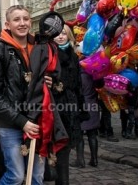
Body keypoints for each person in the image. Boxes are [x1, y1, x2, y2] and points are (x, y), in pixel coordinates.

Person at [0, 5, 46, 185]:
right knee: (16, 176)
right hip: (10, 123)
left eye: (25, 19)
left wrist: (49, 81)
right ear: (7, 24)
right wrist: (21, 121)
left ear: (30, 22)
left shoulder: (39, 47)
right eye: (16, 19)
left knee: (36, 176)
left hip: (37, 119)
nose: (22, 23)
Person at [53, 25, 86, 184]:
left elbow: (78, 83)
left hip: (71, 106)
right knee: (57, 147)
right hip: (53, 106)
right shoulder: (48, 53)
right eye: (57, 34)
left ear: (69, 36)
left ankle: (62, 181)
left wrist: (81, 108)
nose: (60, 36)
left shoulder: (73, 55)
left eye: (64, 33)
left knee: (65, 148)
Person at [76, 73, 100, 167]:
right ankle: (94, 159)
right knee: (93, 135)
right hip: (93, 105)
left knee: (79, 134)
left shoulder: (79, 75)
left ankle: (80, 160)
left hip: (82, 106)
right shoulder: (94, 75)